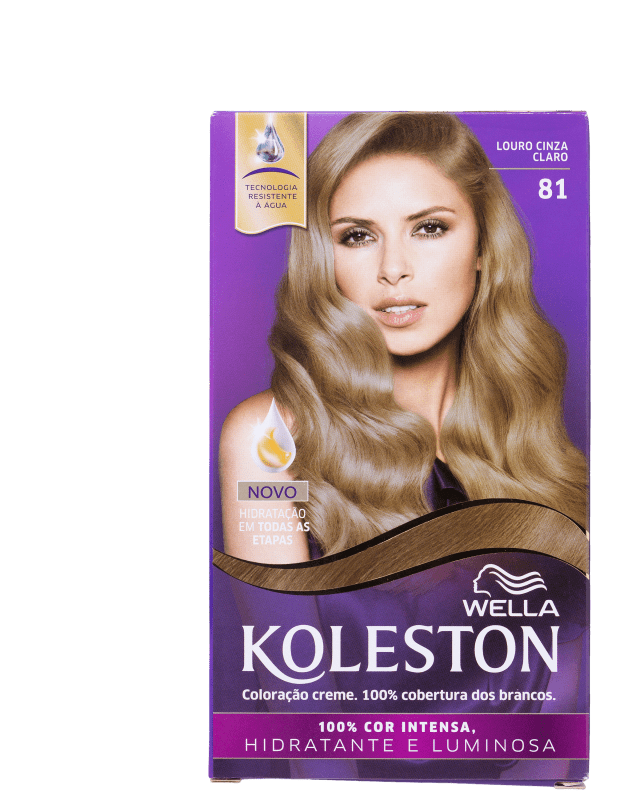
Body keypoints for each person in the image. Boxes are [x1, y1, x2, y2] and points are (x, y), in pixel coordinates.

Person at [220, 112, 587, 564]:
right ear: (323, 261)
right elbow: (274, 616)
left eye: (429, 228)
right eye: (357, 236)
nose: (393, 269)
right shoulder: (270, 437)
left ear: (482, 246)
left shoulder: (521, 433)